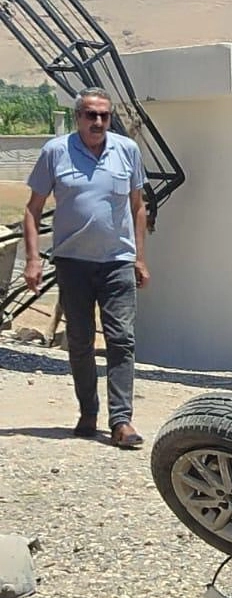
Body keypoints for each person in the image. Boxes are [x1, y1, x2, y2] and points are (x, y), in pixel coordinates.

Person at [22, 88, 150, 449]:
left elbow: (138, 206)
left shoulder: (127, 150)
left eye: (104, 116)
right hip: (73, 263)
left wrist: (140, 258)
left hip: (117, 262)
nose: (98, 122)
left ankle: (121, 420)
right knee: (80, 340)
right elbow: (32, 209)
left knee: (121, 339)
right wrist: (32, 258)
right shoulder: (55, 152)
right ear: (78, 117)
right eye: (91, 115)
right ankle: (88, 411)